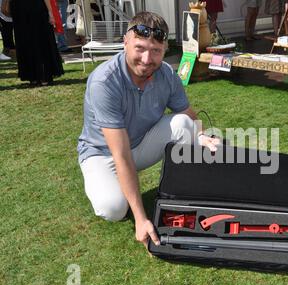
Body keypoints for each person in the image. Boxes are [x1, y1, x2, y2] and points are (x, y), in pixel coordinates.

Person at [77, 12, 221, 248]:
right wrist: (141, 219)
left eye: (155, 50)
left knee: (186, 126)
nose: (146, 58)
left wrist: (202, 136)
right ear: (125, 42)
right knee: (113, 209)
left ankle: (184, 192)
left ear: (165, 48)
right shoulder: (104, 82)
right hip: (103, 154)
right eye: (140, 48)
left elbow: (188, 115)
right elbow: (121, 155)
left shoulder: (166, 73)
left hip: (141, 143)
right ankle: (107, 184)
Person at [10, 0, 64, 85]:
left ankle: (36, 76)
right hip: (26, 10)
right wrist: (50, 12)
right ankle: (38, 76)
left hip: (26, 9)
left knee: (32, 41)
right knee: (36, 42)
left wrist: (50, 12)